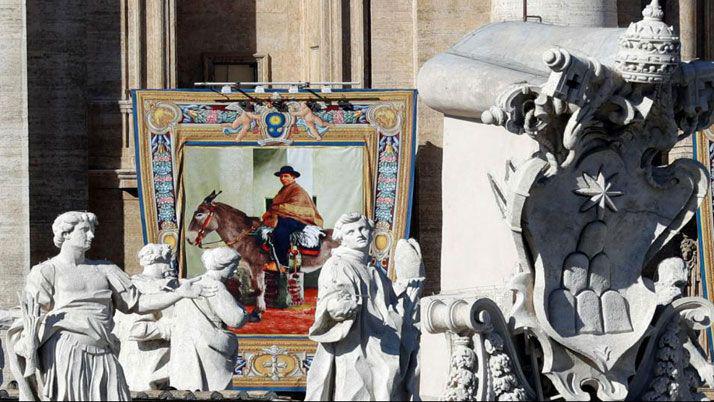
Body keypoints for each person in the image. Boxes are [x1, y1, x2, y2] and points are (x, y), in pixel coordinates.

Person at [7, 211, 213, 401]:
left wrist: (179, 294)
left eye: (93, 230)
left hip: (103, 348)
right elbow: (34, 314)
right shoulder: (46, 271)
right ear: (66, 233)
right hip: (65, 349)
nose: (91, 236)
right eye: (85, 230)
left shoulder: (106, 269)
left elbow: (138, 303)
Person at [305, 213, 424, 401]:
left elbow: (391, 300)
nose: (359, 234)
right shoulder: (337, 265)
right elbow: (331, 298)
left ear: (370, 233)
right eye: (351, 231)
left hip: (380, 341)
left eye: (362, 229)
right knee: (356, 389)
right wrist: (338, 307)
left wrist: (408, 284)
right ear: (342, 239)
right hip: (354, 341)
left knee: (386, 384)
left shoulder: (373, 270)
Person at [169, 247, 247, 391]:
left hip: (187, 348)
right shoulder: (215, 286)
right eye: (233, 266)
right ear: (222, 265)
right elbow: (235, 319)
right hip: (209, 348)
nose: (235, 271)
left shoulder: (191, 284)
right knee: (211, 390)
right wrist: (244, 311)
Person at [114, 243, 176, 391]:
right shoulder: (142, 287)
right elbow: (136, 329)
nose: (171, 267)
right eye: (168, 262)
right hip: (145, 367)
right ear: (158, 262)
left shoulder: (155, 286)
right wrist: (169, 328)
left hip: (157, 366)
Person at [262, 165, 324, 267]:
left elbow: (295, 208)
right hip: (287, 217)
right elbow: (278, 206)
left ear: (293, 177)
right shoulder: (284, 190)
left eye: (286, 176)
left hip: (300, 220)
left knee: (280, 232)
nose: (283, 179)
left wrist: (277, 208)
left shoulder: (298, 190)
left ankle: (283, 263)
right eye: (281, 176)